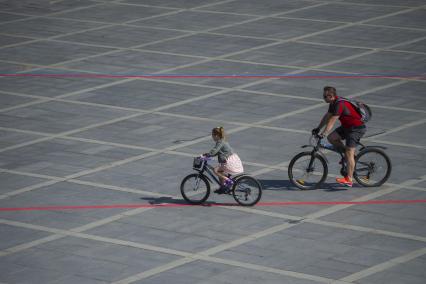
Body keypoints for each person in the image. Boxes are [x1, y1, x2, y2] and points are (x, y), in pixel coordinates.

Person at [312, 86, 366, 187]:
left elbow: (332, 120)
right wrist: (318, 128)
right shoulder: (333, 103)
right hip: (347, 127)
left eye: (324, 96)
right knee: (331, 138)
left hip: (356, 129)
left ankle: (349, 179)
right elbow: (327, 116)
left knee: (349, 152)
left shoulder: (340, 104)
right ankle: (347, 157)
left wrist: (324, 133)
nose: (323, 98)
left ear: (331, 96)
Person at [204, 127, 244, 194]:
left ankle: (229, 181)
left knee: (215, 170)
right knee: (220, 172)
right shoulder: (221, 141)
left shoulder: (220, 142)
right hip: (229, 160)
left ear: (216, 135)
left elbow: (214, 151)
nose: (212, 136)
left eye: (212, 135)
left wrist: (208, 155)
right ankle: (223, 187)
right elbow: (217, 152)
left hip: (229, 161)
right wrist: (207, 154)